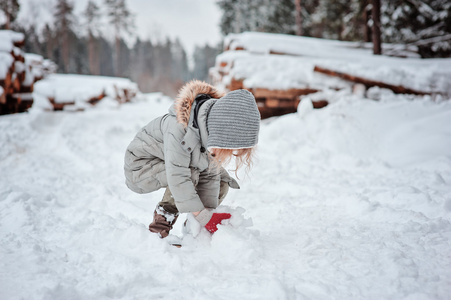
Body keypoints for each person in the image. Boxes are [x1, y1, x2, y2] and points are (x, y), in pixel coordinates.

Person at [124, 80, 260, 238]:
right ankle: (160, 225)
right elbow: (178, 175)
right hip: (141, 168)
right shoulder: (178, 129)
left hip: (170, 163)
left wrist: (207, 217)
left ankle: (194, 229)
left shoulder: (204, 126)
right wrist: (204, 217)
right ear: (223, 132)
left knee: (220, 179)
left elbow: (210, 174)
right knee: (190, 173)